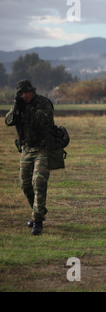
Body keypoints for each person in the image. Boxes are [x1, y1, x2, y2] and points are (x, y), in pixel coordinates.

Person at [5, 80, 55, 235]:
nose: (24, 95)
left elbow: (40, 121)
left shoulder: (43, 103)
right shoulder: (19, 105)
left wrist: (24, 111)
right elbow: (8, 121)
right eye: (21, 93)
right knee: (25, 185)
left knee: (38, 182)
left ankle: (38, 221)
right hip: (26, 150)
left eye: (26, 92)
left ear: (32, 91)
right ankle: (37, 211)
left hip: (42, 149)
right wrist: (16, 109)